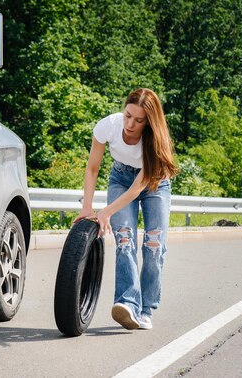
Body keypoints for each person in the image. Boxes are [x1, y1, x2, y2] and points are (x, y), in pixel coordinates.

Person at [74, 88, 179, 330]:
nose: (130, 124)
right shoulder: (108, 126)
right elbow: (92, 168)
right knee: (125, 240)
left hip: (155, 184)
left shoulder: (155, 141)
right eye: (128, 115)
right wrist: (88, 207)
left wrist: (106, 212)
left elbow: (138, 189)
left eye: (139, 120)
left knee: (154, 246)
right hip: (120, 177)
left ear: (149, 122)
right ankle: (127, 303)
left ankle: (146, 309)